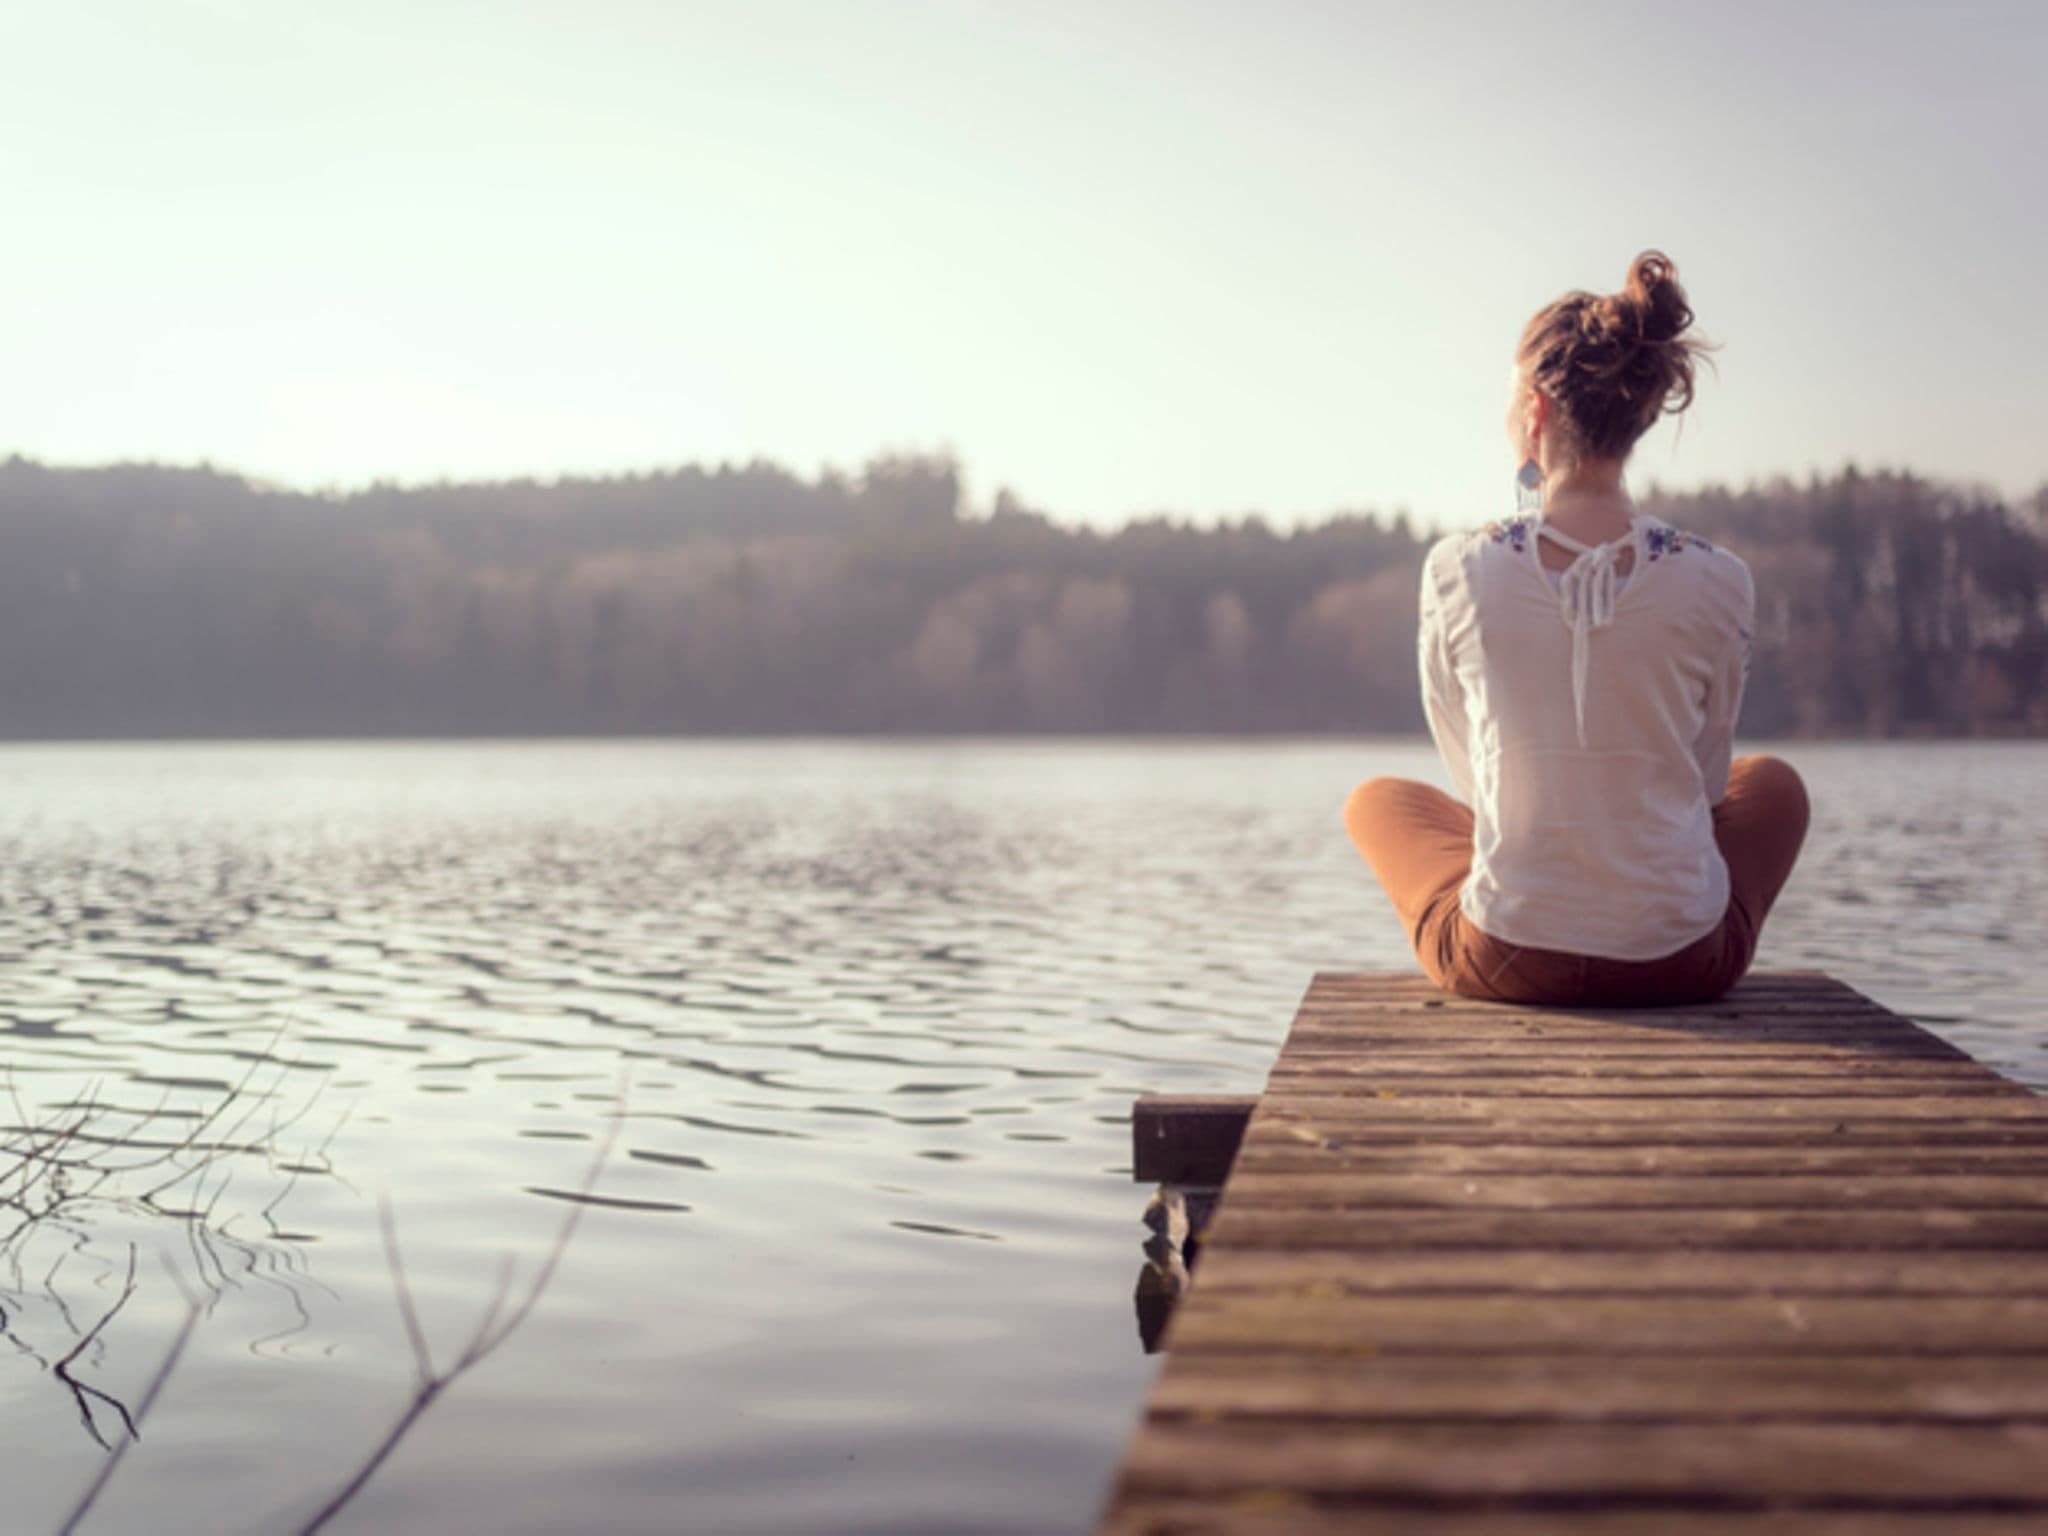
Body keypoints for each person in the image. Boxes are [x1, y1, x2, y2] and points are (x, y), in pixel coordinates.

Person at [1343, 250, 1808, 1007]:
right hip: (1683, 961)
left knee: (1375, 801)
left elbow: (1471, 774)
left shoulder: (1456, 569)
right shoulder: (1722, 578)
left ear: (1535, 410)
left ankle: (1544, 885)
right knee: (1774, 787)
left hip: (1507, 956)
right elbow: (1707, 777)